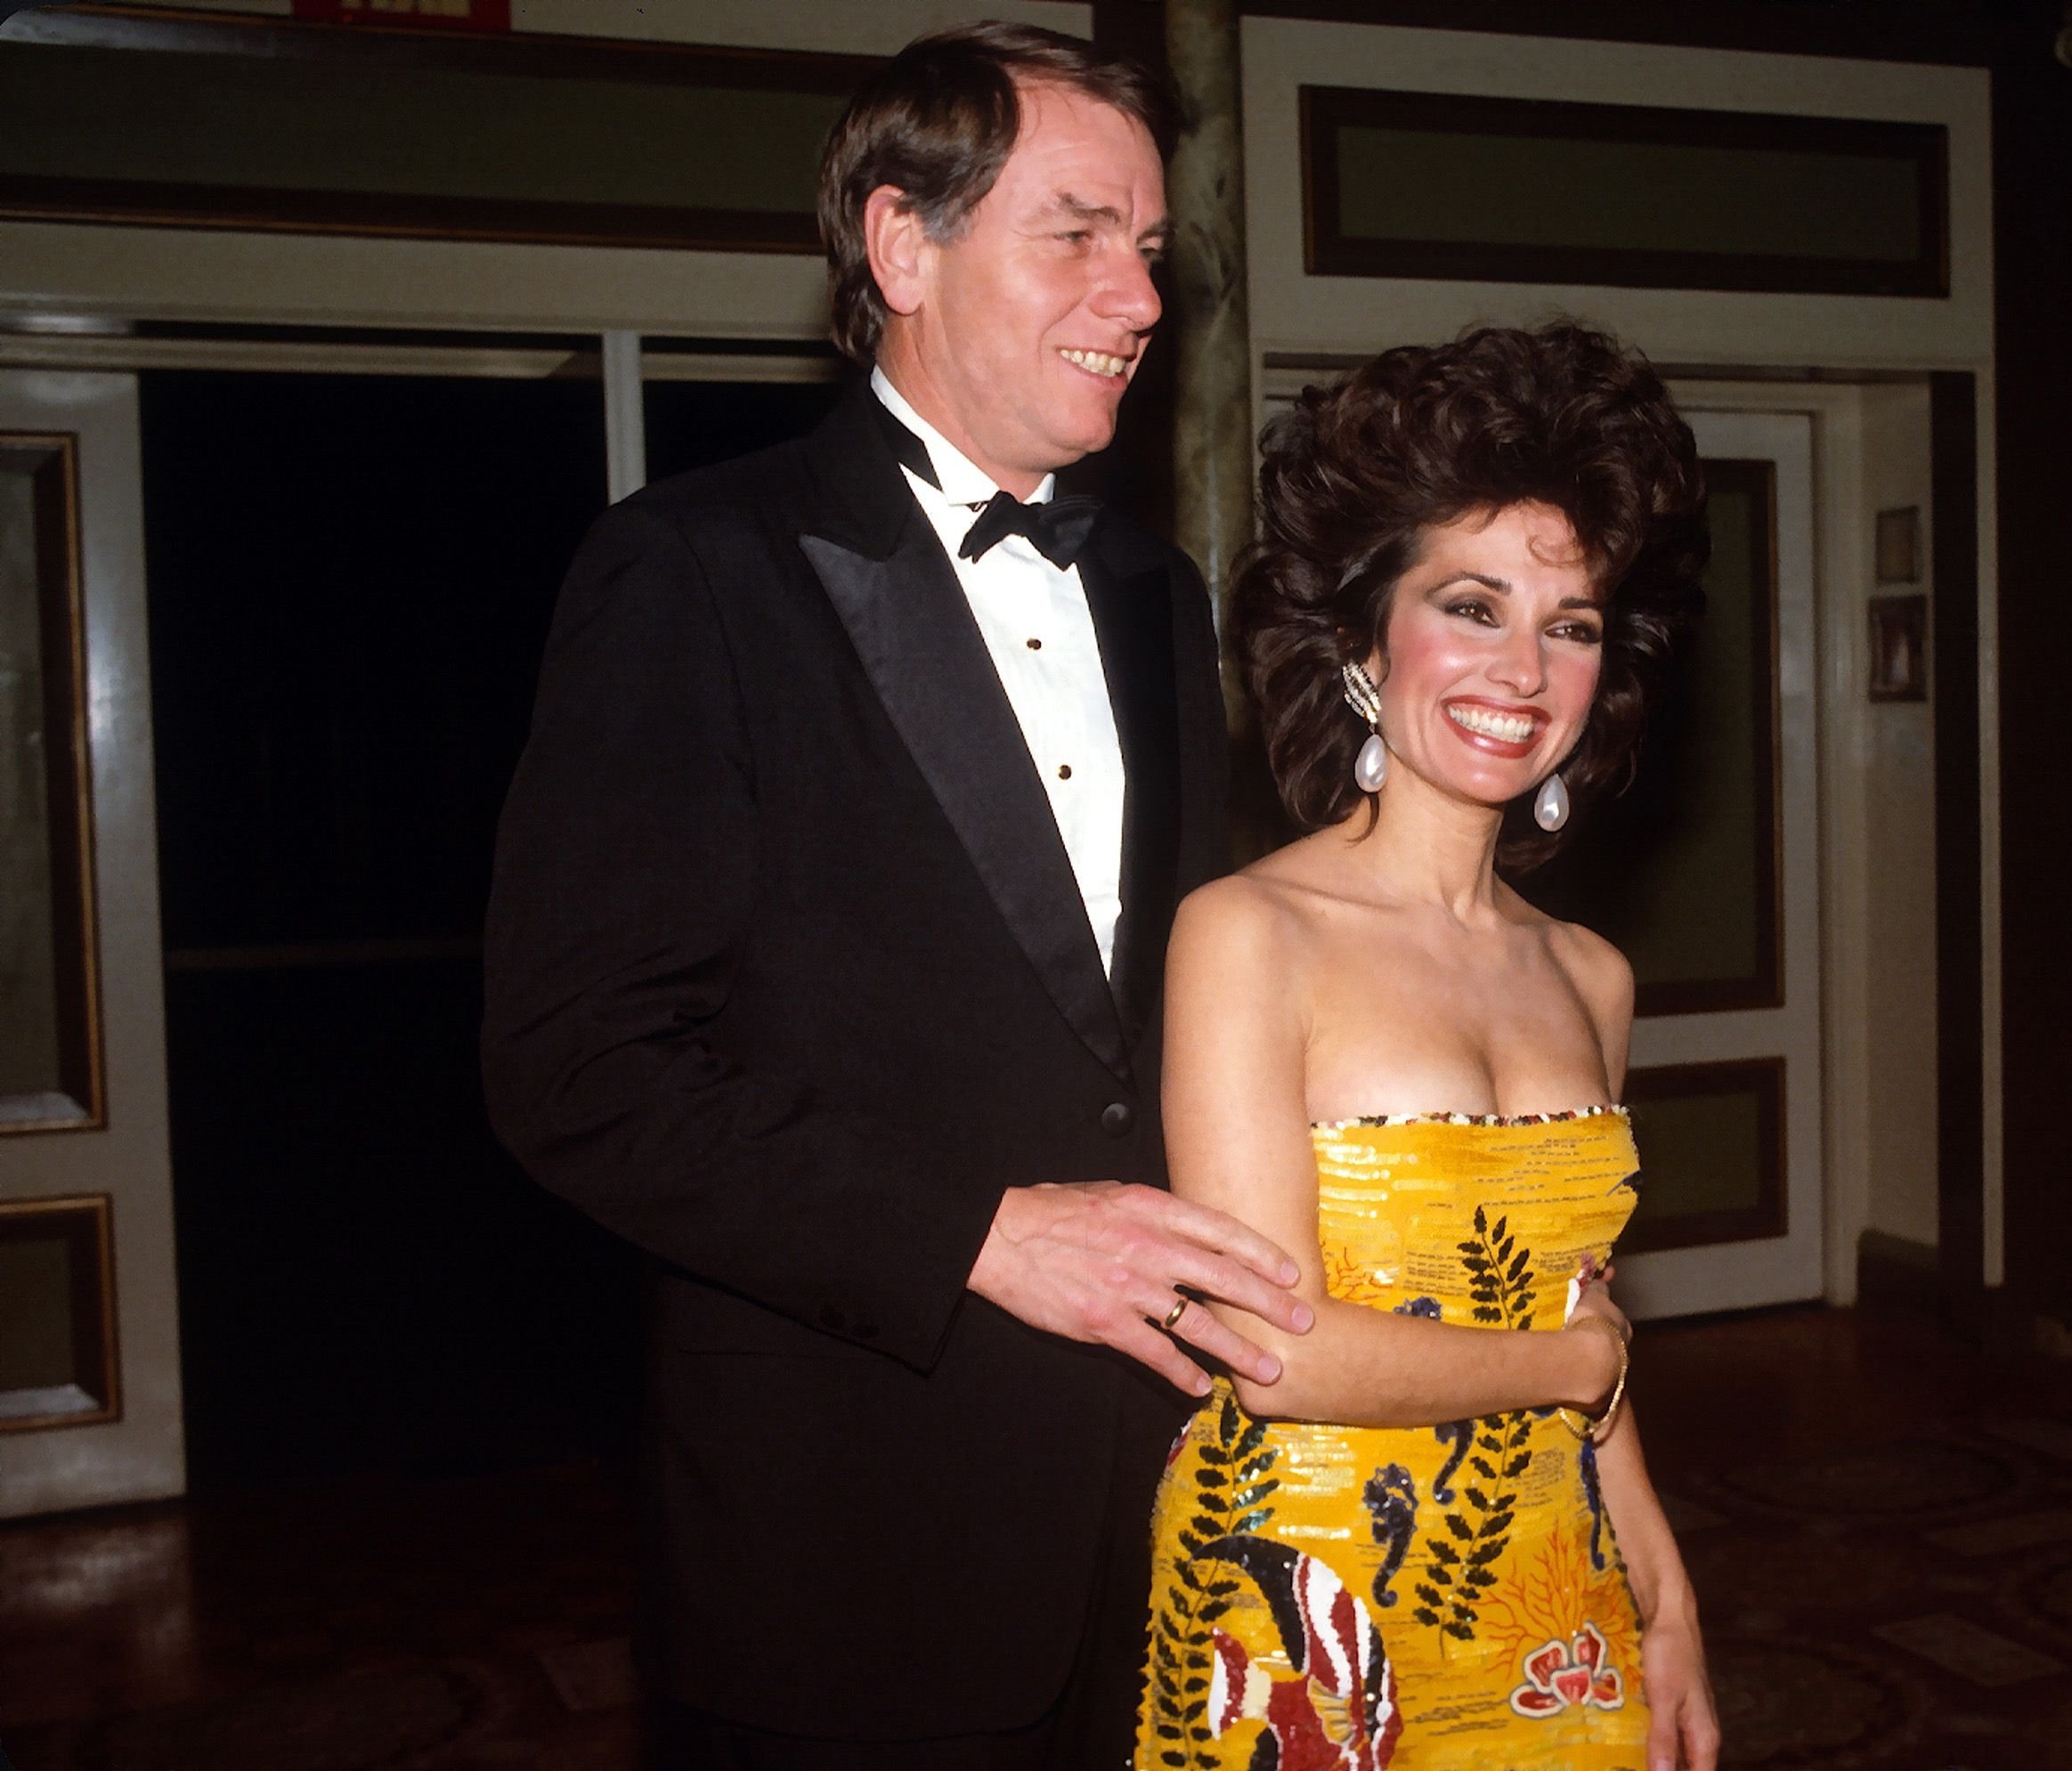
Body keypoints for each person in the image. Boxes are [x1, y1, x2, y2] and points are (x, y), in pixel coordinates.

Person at [480, 24, 1309, 1770]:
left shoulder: (1157, 591)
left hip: (1146, 1500)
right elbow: (578, 1067)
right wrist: (984, 1233)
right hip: (848, 1524)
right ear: (901, 243)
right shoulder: (691, 568)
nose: (1139, 295)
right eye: (1079, 232)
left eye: (1152, 248)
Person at [1136, 323, 1720, 1771]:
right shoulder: (1245, 934)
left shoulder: (1591, 974)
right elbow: (1270, 1354)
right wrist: (1567, 1366)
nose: (1521, 667)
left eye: (1570, 623)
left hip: (1550, 1588)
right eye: (1472, 604)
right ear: (1361, 637)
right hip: (1307, 1609)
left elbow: (1598, 1333)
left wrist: (1666, 1593)